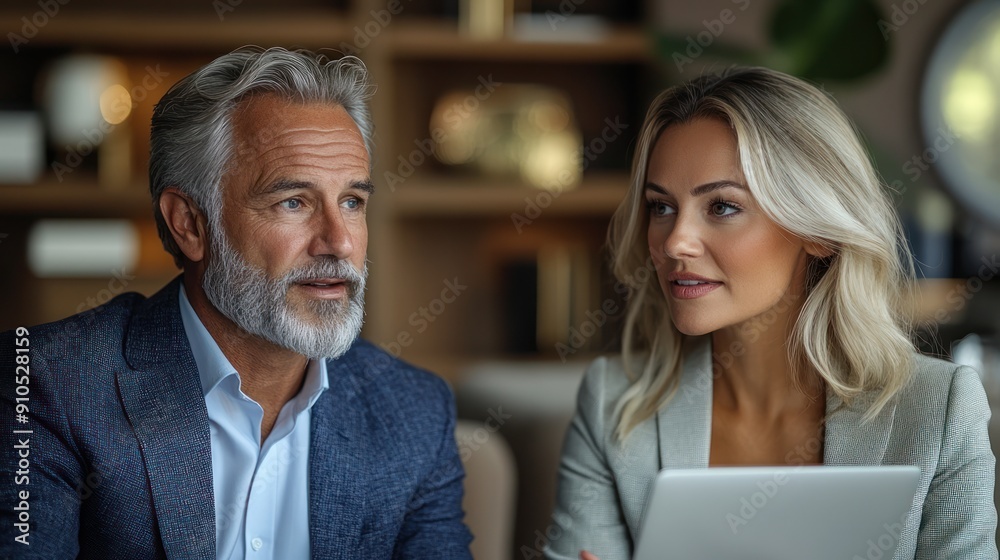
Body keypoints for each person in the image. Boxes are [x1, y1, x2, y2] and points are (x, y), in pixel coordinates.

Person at [0, 47, 473, 559]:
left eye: (352, 202)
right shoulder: (45, 384)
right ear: (190, 224)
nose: (339, 242)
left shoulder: (413, 412)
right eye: (293, 202)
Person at [544, 67, 998, 560]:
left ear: (817, 230)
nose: (675, 242)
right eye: (661, 207)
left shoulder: (940, 409)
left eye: (722, 206)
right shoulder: (612, 405)